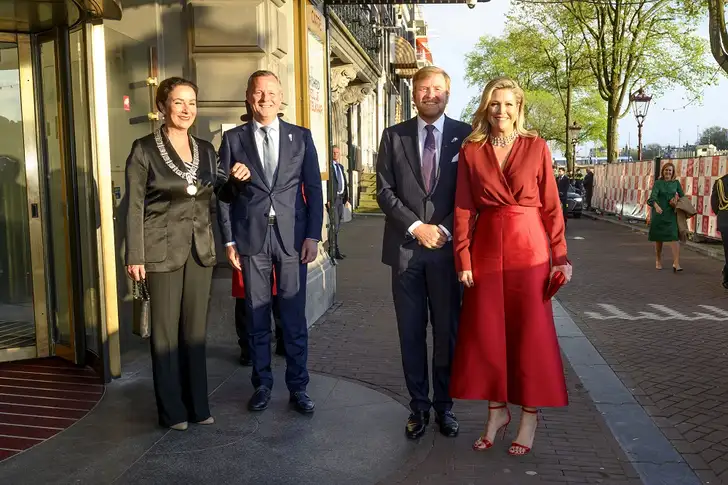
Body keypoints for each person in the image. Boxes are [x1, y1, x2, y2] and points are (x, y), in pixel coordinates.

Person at [450, 76, 572, 456]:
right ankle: (496, 413)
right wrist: (463, 257)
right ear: (485, 108)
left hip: (530, 249)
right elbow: (463, 207)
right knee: (487, 333)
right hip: (486, 248)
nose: (500, 110)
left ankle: (529, 417)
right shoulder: (472, 150)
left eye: (508, 104)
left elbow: (551, 206)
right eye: (494, 103)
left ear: (519, 108)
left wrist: (560, 256)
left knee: (530, 333)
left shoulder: (537, 146)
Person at [125, 77, 237, 431]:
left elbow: (221, 193)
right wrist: (135, 254)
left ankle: (198, 406)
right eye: (178, 102)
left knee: (195, 332)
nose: (187, 109)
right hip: (159, 250)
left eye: (192, 102)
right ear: (162, 106)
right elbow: (133, 206)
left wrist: (237, 181)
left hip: (199, 249)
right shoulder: (143, 149)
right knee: (165, 335)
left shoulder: (205, 149)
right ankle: (172, 411)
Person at [217, 70, 323, 414]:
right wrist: (228, 240)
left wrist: (313, 235)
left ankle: (299, 387)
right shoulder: (233, 139)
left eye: (272, 92)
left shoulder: (301, 137)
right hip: (251, 239)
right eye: (259, 92)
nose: (266, 98)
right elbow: (222, 195)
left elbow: (314, 189)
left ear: (281, 98)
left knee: (293, 317)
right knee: (256, 315)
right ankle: (262, 385)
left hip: (292, 239)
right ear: (249, 97)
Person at [376, 66, 472, 440]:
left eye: (437, 89)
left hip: (447, 253)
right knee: (411, 333)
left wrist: (444, 229)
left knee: (447, 333)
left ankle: (444, 406)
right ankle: (418, 407)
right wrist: (417, 227)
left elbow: (471, 191)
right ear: (413, 93)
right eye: (423, 88)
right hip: (405, 252)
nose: (430, 94)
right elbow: (384, 191)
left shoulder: (467, 136)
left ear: (448, 94)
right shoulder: (393, 135)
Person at [647, 162, 684, 271]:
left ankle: (676, 263)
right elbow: (652, 197)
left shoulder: (676, 183)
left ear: (673, 172)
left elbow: (683, 197)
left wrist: (677, 201)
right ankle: (658, 260)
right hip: (659, 214)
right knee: (659, 239)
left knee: (674, 237)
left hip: (671, 214)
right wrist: (656, 206)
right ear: (663, 171)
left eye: (670, 170)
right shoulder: (658, 183)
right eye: (666, 170)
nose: (668, 172)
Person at [329, 145, 349, 260]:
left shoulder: (340, 167)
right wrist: (328, 199)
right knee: (334, 226)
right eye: (334, 152)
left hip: (341, 199)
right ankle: (333, 250)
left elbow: (343, 182)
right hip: (333, 199)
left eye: (337, 152)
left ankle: (335, 250)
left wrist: (346, 198)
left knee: (338, 226)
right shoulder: (329, 167)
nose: (336, 154)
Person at [711, 172, 728, 288]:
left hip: (724, 219)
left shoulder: (720, 182)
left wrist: (722, 215)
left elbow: (714, 205)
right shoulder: (720, 182)